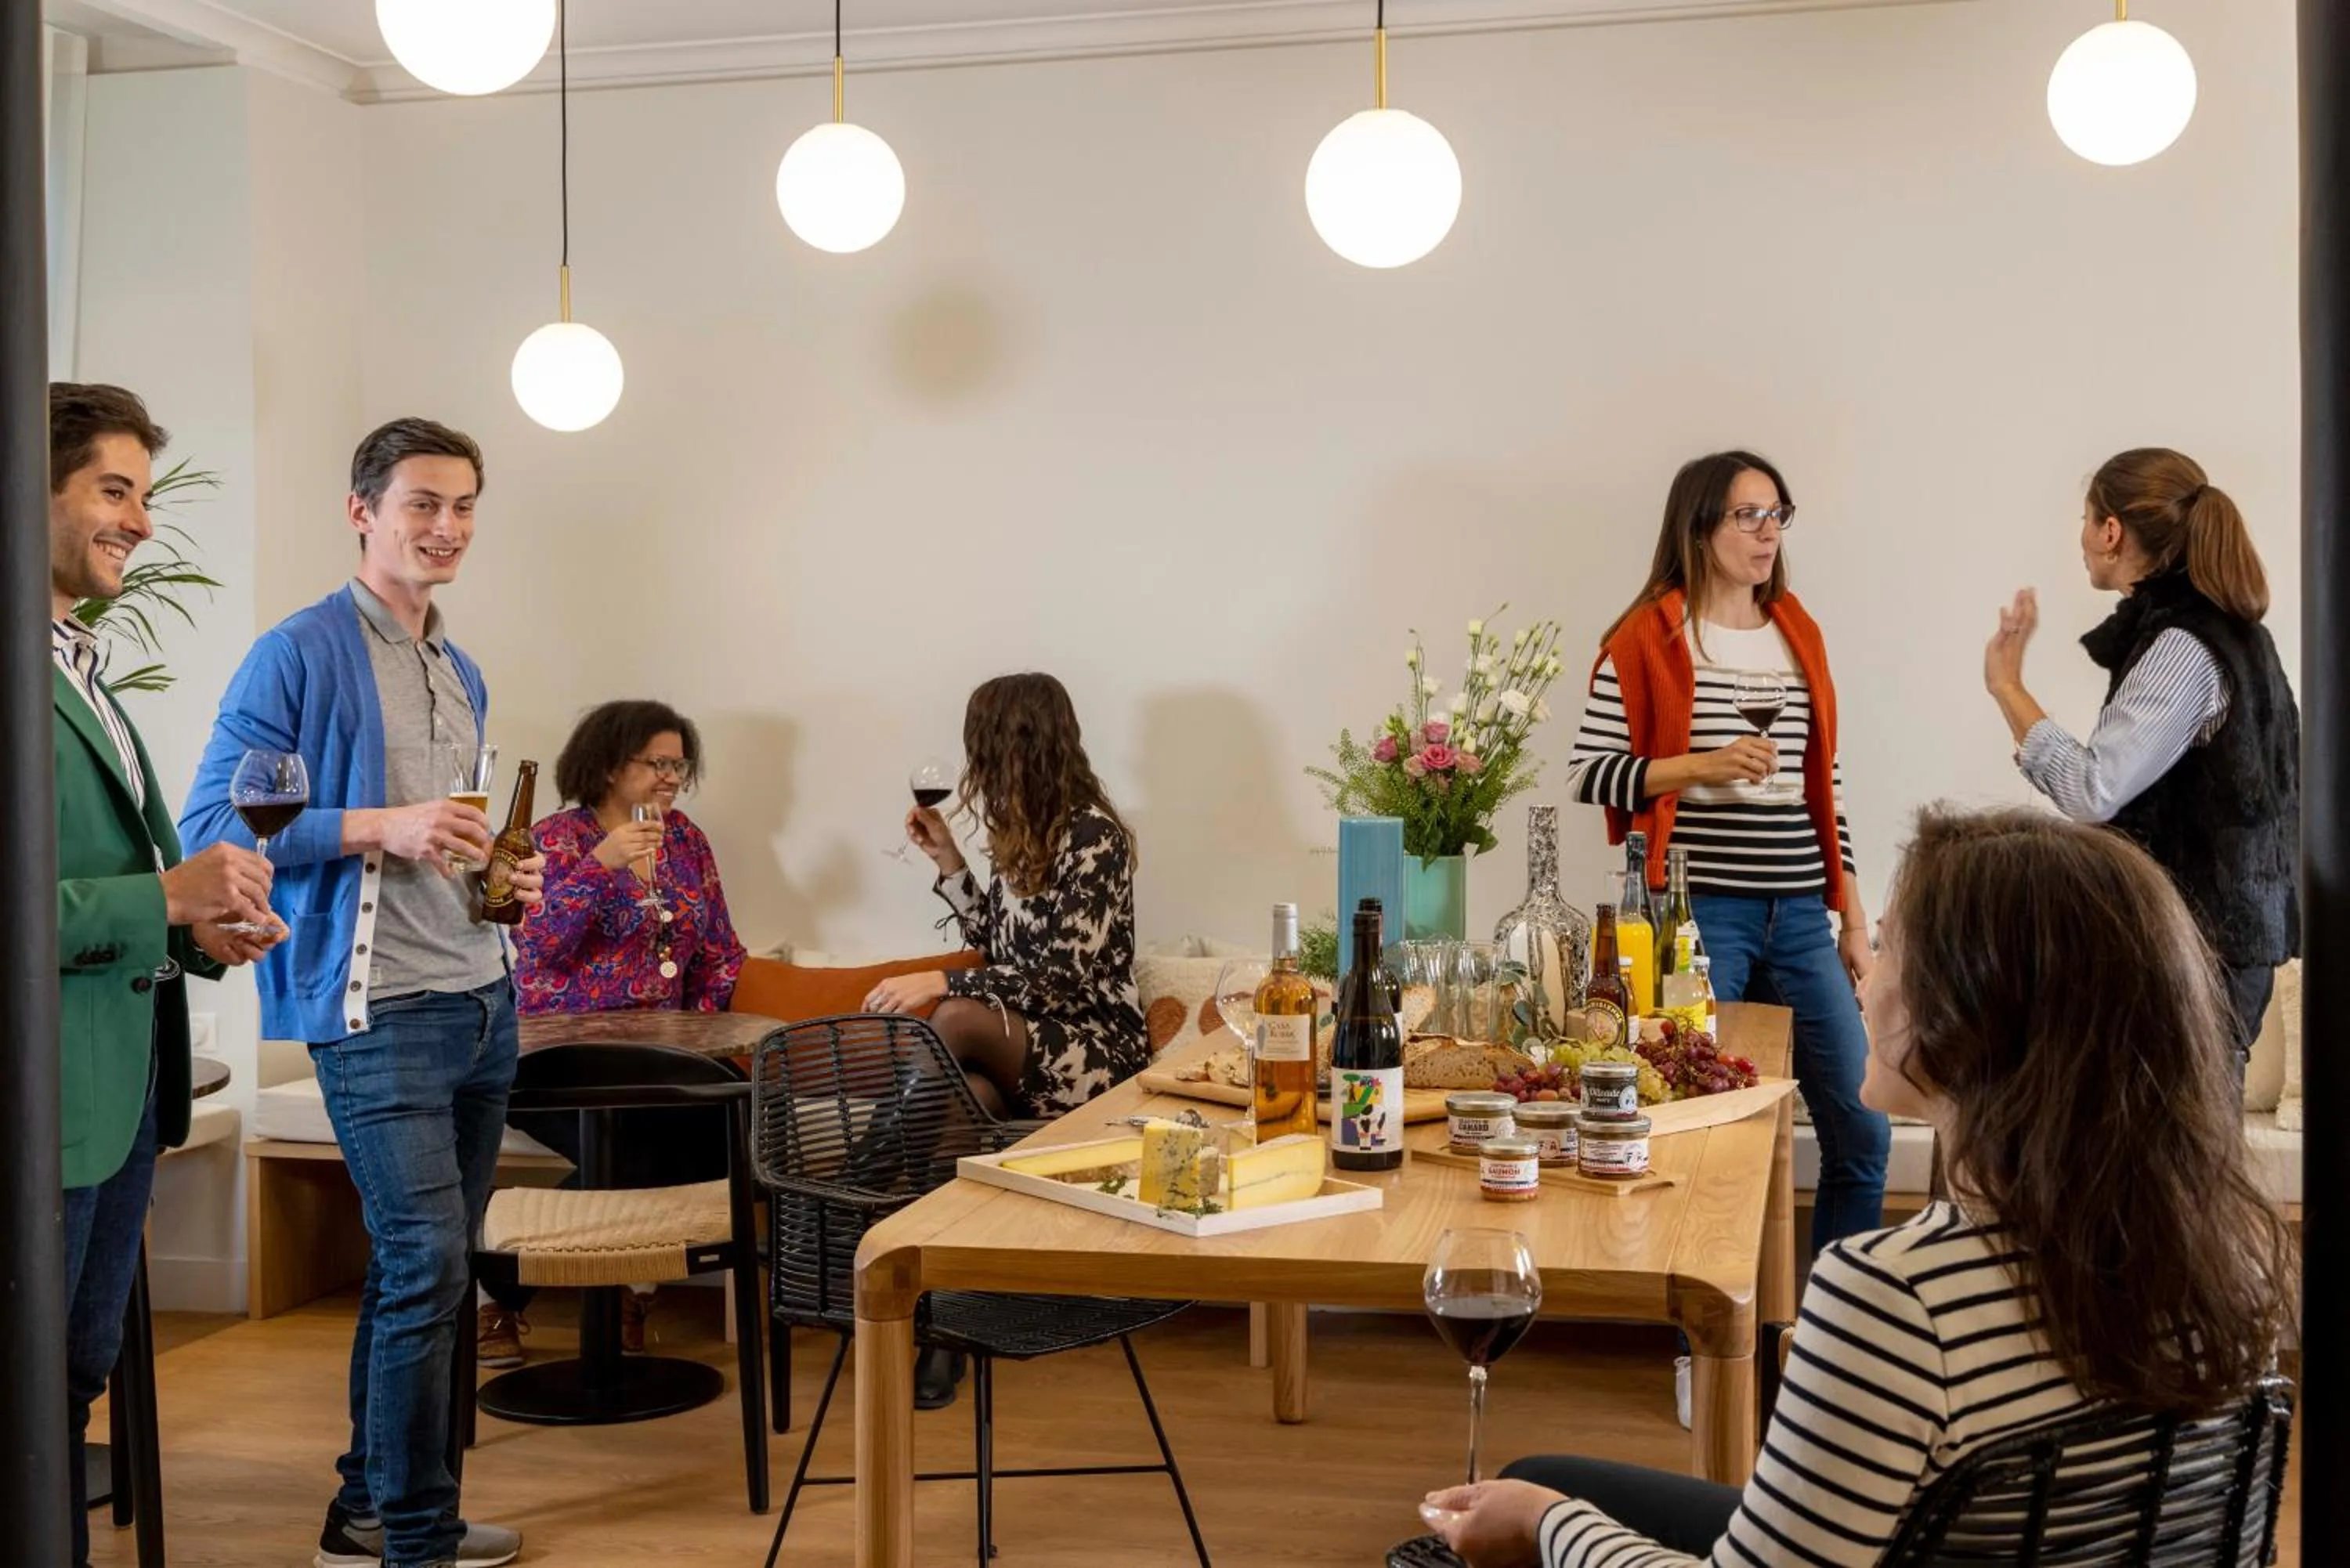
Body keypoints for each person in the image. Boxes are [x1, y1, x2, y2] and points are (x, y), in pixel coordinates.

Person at [1423, 806, 2296, 1568]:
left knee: (1536, 1498)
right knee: (1544, 1477)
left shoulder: (1894, 1296)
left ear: (1971, 1012)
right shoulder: (2234, 1257)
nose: (1864, 981)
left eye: (1886, 950)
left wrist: (1550, 1527)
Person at [181, 417, 544, 1568]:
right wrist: (385, 824)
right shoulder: (295, 653)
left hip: (481, 1000)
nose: (448, 526)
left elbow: (453, 844)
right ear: (362, 512)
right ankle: (416, 1540)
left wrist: (504, 877)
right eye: (422, 503)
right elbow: (213, 826)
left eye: (465, 505)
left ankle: (366, 1510)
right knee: (426, 1264)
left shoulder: (459, 668)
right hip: (375, 1011)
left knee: (424, 1269)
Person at [48, 384, 281, 1568]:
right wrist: (165, 899)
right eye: (114, 490)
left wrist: (196, 930)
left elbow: (118, 878)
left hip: (126, 1095)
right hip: (51, 1101)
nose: (142, 521)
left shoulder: (82, 665)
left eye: (143, 495)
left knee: (71, 1381)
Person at [1564, 450, 1886, 1248]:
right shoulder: (1648, 638)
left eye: (1777, 514)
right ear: (1701, 527)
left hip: (1802, 915)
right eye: (1749, 515)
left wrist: (1852, 919)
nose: (1768, 532)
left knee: (1863, 1127)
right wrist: (1701, 765)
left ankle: (1836, 1313)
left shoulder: (1797, 633)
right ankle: (1702, 1315)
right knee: (1698, 1125)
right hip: (1698, 918)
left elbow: (1824, 786)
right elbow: (1589, 772)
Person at [866, 672, 1148, 1409]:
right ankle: (944, 1332)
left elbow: (1058, 977)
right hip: (1033, 1048)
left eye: (982, 745)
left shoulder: (1093, 836)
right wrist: (950, 862)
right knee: (970, 1100)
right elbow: (999, 946)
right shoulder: (1019, 834)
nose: (974, 764)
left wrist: (941, 981)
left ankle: (861, 1183)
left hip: (1097, 1050)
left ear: (1018, 744)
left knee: (956, 1017)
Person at [1983, 447, 2298, 1072]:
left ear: (2111, 531)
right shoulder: (2235, 635)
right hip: (2214, 951)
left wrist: (2008, 688)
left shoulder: (2185, 645)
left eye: (2085, 519)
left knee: (2179, 1135)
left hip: (2194, 955)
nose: (2080, 538)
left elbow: (2093, 789)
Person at [481, 699, 747, 1364]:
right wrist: (600, 864)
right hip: (555, 1058)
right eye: (656, 763)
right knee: (634, 1146)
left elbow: (721, 950)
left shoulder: (686, 841)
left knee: (733, 1127)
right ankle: (539, 1293)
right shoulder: (552, 840)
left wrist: (696, 1032)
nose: (671, 778)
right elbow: (536, 944)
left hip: (659, 1057)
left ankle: (574, 1285)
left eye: (679, 765)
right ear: (606, 766)